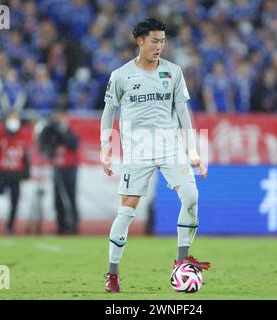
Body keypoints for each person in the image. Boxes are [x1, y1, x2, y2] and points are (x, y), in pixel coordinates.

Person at [100, 18, 210, 293]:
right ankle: (112, 272)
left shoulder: (174, 72)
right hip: (137, 151)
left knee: (192, 196)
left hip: (170, 147)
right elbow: (109, 111)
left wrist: (193, 149)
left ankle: (182, 261)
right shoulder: (121, 75)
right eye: (154, 40)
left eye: (162, 41)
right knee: (127, 211)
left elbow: (183, 112)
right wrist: (105, 145)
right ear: (140, 41)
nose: (160, 46)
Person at [0, 112, 30, 234]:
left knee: (15, 202)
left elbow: (25, 156)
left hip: (15, 174)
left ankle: (10, 225)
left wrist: (26, 173)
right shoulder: (0, 136)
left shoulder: (22, 137)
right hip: (2, 173)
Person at [50, 108, 80, 235]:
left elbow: (72, 143)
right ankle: (60, 225)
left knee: (70, 197)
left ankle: (73, 225)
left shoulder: (71, 133)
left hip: (69, 169)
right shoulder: (53, 134)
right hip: (57, 168)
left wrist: (60, 132)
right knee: (57, 199)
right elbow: (46, 148)